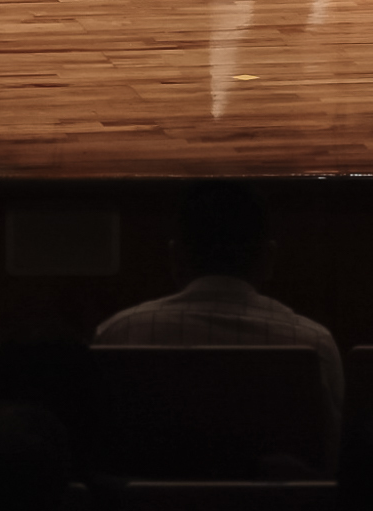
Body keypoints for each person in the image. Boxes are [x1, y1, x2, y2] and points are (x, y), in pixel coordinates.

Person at [92, 179, 344, 458]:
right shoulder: (314, 342)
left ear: (176, 256)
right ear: (268, 257)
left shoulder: (120, 332)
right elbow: (330, 453)